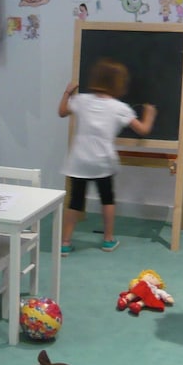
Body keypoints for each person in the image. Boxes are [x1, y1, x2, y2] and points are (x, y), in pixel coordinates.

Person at [58, 58, 155, 255]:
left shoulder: (81, 100)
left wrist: (67, 92)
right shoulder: (119, 108)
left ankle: (65, 243)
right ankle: (108, 240)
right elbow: (143, 130)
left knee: (75, 200)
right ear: (118, 83)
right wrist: (150, 114)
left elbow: (61, 112)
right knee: (107, 199)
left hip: (79, 160)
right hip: (102, 161)